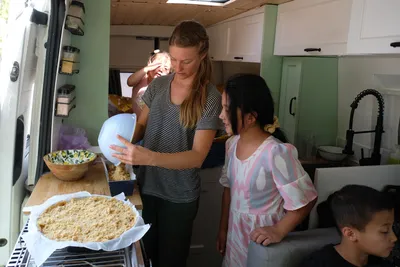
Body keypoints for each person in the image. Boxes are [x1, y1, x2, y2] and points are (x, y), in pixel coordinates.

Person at [110, 20, 222, 267]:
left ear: (202, 55)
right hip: (147, 189)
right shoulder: (159, 85)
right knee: (144, 257)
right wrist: (122, 152)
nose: (178, 67)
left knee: (171, 262)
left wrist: (148, 157)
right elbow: (141, 125)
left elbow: (197, 156)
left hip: (179, 198)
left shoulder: (209, 97)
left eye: (187, 61)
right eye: (174, 59)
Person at [216, 74, 318, 267]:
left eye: (227, 109)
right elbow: (228, 189)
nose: (221, 116)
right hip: (235, 238)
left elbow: (307, 199)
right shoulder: (231, 144)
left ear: (251, 117)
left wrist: (278, 230)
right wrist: (223, 229)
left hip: (263, 242)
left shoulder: (276, 152)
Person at [300, 185, 397, 267]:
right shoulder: (318, 263)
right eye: (384, 231)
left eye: (392, 227)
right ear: (350, 234)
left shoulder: (381, 261)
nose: (394, 238)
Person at [127, 50, 171, 118]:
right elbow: (130, 82)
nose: (161, 70)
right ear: (150, 64)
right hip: (136, 121)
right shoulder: (142, 78)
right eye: (158, 65)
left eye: (166, 68)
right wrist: (146, 69)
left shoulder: (165, 85)